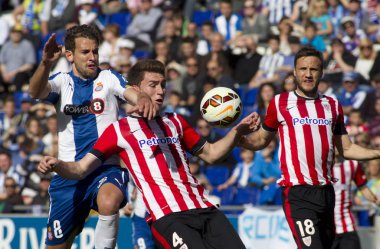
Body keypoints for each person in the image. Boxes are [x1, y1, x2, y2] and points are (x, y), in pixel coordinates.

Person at [38, 59, 259, 249]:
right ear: (136, 89)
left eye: (163, 85)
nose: (161, 91)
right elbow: (80, 169)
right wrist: (57, 164)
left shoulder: (175, 122)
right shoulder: (119, 130)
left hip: (205, 208)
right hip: (169, 217)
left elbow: (211, 154)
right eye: (153, 85)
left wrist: (236, 131)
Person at [28, 24, 156, 249]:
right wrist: (45, 64)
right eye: (85, 52)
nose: (92, 57)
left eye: (95, 51)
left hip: (105, 168)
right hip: (68, 175)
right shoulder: (62, 82)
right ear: (69, 55)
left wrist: (143, 99)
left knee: (108, 202)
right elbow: (35, 92)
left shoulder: (108, 78)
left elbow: (133, 94)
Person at [239, 46, 380, 249]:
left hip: (326, 193)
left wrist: (377, 153)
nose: (308, 74)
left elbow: (347, 149)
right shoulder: (280, 102)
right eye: (303, 69)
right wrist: (238, 137)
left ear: (321, 72)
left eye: (313, 69)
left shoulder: (332, 105)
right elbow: (261, 140)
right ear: (295, 72)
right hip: (298, 193)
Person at [331, 155, 380, 249]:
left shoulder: (352, 164)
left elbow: (364, 189)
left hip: (348, 226)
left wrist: (376, 200)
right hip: (327, 227)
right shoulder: (321, 164)